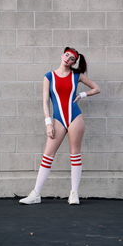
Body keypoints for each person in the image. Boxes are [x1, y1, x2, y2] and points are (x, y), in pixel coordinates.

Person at [19, 47, 101, 205]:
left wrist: (82, 95)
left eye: (72, 59)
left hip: (75, 116)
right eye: (67, 55)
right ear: (62, 55)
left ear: (73, 62)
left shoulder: (77, 75)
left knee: (75, 154)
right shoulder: (49, 76)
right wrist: (48, 122)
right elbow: (45, 101)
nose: (68, 59)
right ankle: (36, 194)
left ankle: (74, 193)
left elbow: (97, 88)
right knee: (47, 155)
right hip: (57, 119)